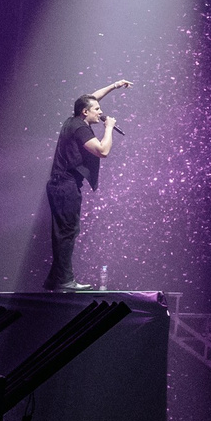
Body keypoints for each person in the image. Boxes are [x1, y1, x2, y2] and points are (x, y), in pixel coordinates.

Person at [42, 79, 127, 291]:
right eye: (97, 109)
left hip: (62, 184)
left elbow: (91, 97)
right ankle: (64, 280)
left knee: (65, 231)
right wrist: (108, 128)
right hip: (65, 185)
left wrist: (114, 86)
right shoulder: (80, 128)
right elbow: (102, 151)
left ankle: (55, 279)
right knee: (67, 231)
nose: (101, 112)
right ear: (85, 112)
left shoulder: (75, 120)